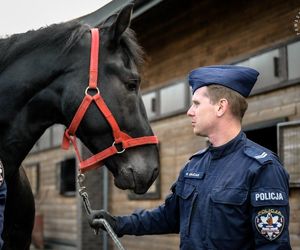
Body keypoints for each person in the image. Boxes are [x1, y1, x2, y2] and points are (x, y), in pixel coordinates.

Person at [89, 65, 291, 250]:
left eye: (196, 103)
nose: (189, 112)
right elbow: (169, 217)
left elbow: (272, 246)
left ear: (221, 107)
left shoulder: (262, 168)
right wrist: (117, 224)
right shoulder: (195, 165)